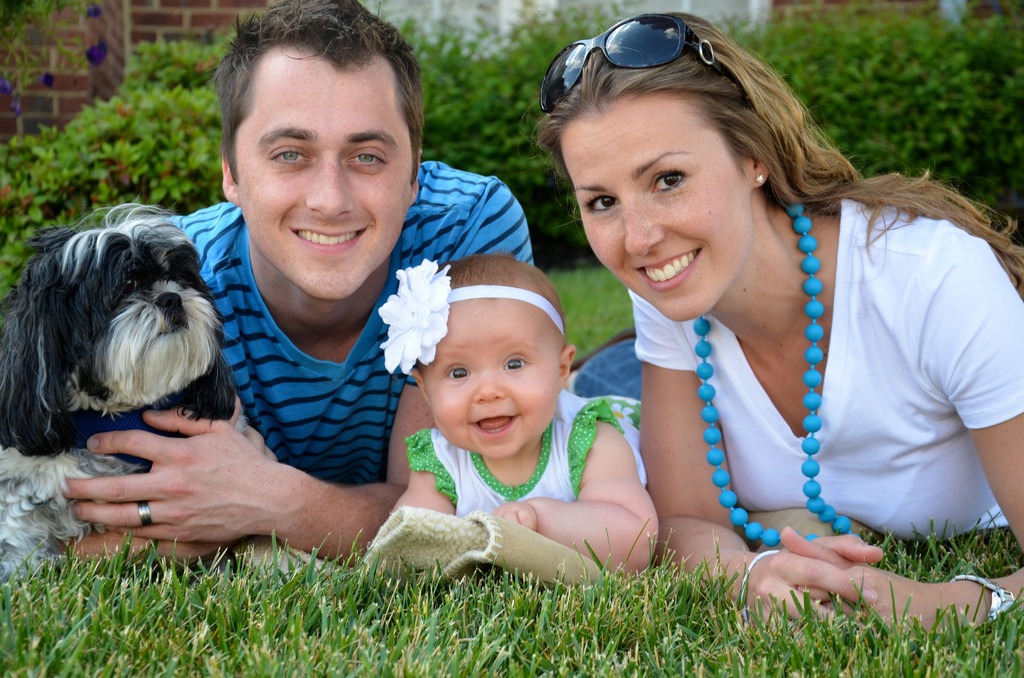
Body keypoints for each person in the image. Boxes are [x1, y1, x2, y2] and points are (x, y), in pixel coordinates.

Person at [536, 12, 1024, 626]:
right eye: (601, 202)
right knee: (603, 391)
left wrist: (944, 601)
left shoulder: (930, 276)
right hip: (642, 367)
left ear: (753, 158)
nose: (638, 239)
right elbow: (686, 523)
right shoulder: (668, 288)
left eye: (668, 179)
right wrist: (749, 574)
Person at [63, 0, 531, 560]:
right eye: (290, 154)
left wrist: (275, 503)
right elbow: (75, 529)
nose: (330, 200)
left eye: (368, 156)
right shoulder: (170, 289)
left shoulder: (467, 229)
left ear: (412, 173)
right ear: (232, 174)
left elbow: (466, 506)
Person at [381, 254, 656, 572]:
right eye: (459, 373)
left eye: (514, 364)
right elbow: (408, 546)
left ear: (560, 369)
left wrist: (539, 519)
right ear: (426, 391)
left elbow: (637, 541)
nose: (488, 391)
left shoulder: (591, 439)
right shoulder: (440, 461)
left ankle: (606, 362)